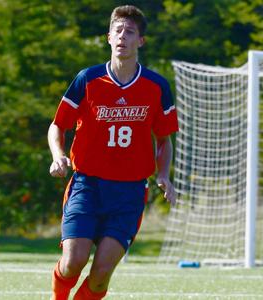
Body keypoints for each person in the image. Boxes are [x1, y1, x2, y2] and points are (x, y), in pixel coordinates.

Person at [48, 5, 178, 300]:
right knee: (73, 262)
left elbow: (164, 140)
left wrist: (163, 176)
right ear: (108, 37)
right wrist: (58, 155)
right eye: (118, 30)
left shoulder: (156, 86)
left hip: (129, 193)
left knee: (100, 275)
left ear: (140, 41)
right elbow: (57, 126)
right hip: (87, 185)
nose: (123, 36)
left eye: (130, 32)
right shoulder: (88, 80)